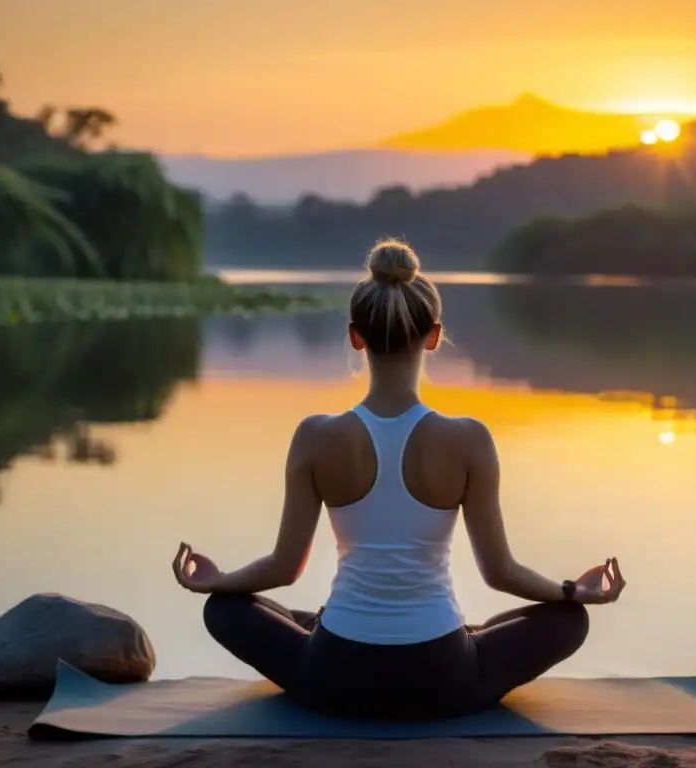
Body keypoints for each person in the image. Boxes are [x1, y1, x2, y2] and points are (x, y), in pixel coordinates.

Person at [171, 238, 627, 721]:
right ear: (433, 336)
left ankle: (327, 628)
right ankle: (462, 637)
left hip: (334, 675)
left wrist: (218, 583)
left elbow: (285, 568)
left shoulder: (315, 436)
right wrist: (576, 592)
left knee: (225, 610)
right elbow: (501, 573)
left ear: (355, 337)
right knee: (567, 621)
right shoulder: (469, 439)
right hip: (444, 677)